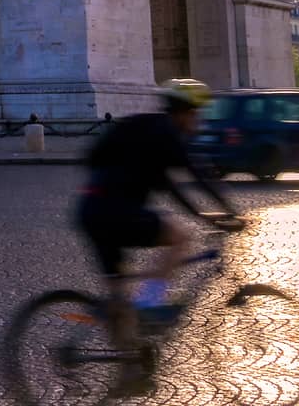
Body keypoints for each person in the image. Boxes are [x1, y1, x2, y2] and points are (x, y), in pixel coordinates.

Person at [76, 79, 244, 397]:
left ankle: (130, 373)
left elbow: (168, 185)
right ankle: (151, 304)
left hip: (91, 210)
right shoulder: (169, 134)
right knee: (181, 238)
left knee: (119, 298)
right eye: (196, 113)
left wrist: (202, 213)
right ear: (184, 112)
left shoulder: (145, 128)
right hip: (116, 211)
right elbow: (197, 177)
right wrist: (228, 211)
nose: (198, 120)